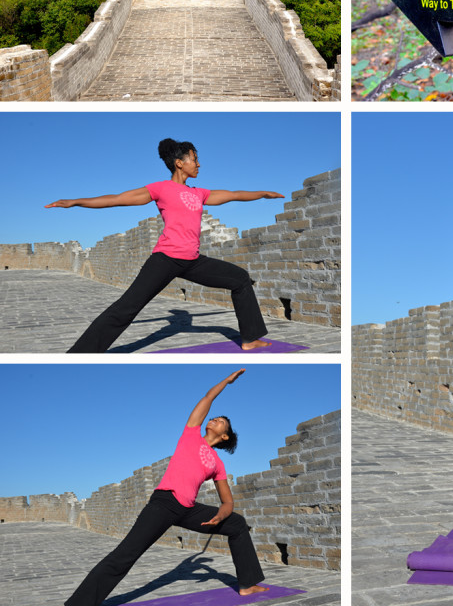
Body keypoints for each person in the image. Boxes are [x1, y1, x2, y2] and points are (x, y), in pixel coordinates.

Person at [46, 138, 282, 353]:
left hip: (192, 261)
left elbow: (232, 195)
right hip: (165, 259)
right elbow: (117, 199)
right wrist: (76, 202)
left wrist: (262, 194)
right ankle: (80, 354)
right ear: (179, 163)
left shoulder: (199, 193)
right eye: (195, 160)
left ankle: (250, 338)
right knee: (126, 308)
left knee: (240, 279)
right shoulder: (160, 188)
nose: (199, 164)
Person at [64, 371, 268, 605]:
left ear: (224, 436)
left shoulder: (218, 464)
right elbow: (208, 397)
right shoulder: (191, 434)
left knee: (237, 523)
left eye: (220, 422)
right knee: (125, 554)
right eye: (214, 418)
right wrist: (226, 382)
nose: (214, 419)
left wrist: (220, 516)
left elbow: (227, 502)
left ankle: (247, 584)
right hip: (164, 503)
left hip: (189, 509)